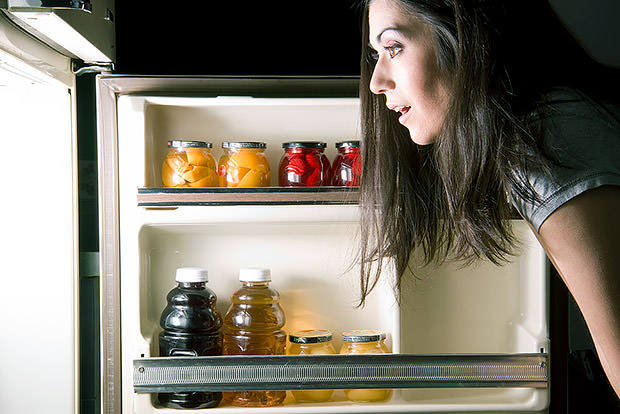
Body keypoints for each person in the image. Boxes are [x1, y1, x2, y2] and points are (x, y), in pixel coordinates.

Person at [356, 0, 620, 399]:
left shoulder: (548, 142)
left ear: (465, 40)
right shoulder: (543, 122)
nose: (376, 81)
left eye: (393, 48)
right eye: (376, 55)